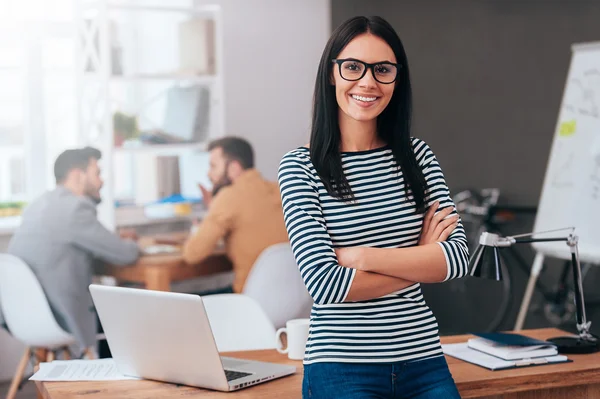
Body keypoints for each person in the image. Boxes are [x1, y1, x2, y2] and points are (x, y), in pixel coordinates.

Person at [278, 16, 469, 398]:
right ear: (332, 74)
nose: (367, 82)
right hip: (341, 368)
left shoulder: (417, 157)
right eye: (353, 67)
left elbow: (458, 259)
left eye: (382, 70)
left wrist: (363, 257)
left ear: (397, 79)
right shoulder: (300, 167)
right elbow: (325, 284)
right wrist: (420, 258)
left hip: (424, 361)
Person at [2, 147, 139, 353]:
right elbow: (125, 254)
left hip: (21, 318)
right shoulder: (75, 209)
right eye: (97, 173)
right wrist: (136, 243)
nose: (102, 181)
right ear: (78, 176)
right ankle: (112, 378)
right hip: (60, 317)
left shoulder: (38, 204)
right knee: (130, 314)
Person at [182, 137, 289, 293]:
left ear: (234, 168)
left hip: (250, 300)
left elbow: (192, 254)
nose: (209, 174)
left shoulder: (229, 197)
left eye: (213, 166)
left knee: (184, 301)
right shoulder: (280, 190)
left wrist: (212, 211)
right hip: (291, 301)